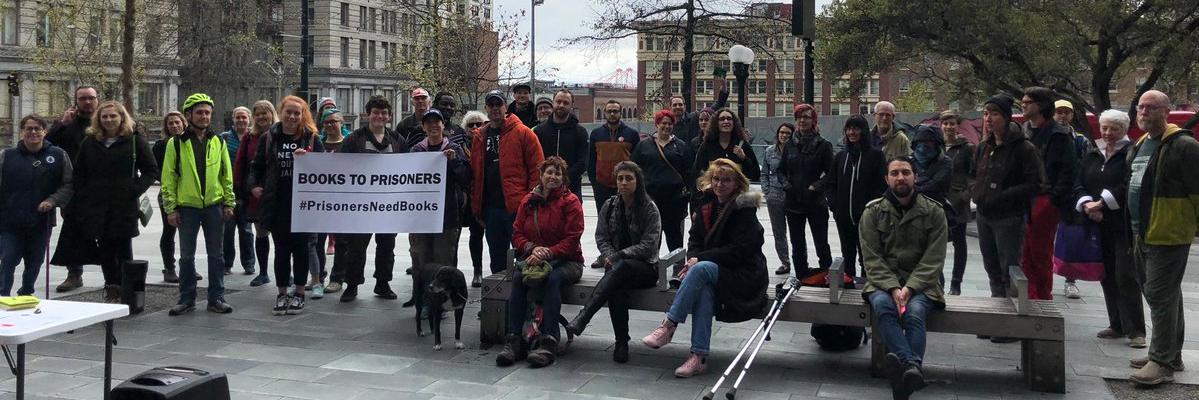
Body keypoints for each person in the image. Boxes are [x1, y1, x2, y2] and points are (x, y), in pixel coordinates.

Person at [641, 158, 767, 378]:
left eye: (726, 180)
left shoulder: (744, 210)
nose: (720, 184)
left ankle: (669, 325)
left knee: (701, 269)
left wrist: (698, 260)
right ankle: (699, 357)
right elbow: (694, 240)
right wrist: (695, 257)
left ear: (737, 183)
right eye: (716, 179)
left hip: (744, 275)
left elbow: (739, 251)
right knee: (704, 291)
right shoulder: (707, 204)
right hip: (716, 272)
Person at [51, 101, 157, 303]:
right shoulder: (90, 142)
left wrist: (133, 190)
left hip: (123, 206)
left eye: (113, 116)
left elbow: (151, 171)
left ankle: (128, 291)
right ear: (98, 119)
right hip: (97, 206)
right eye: (104, 116)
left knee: (124, 248)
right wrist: (79, 200)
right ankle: (112, 288)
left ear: (122, 118)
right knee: (106, 248)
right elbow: (80, 173)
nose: (108, 120)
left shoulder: (134, 141)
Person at [1127, 90, 1199, 386]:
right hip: (1142, 230)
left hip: (1168, 232)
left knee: (1159, 294)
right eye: (1141, 107)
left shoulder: (1184, 145)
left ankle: (1161, 362)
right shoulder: (1142, 143)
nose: (1143, 112)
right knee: (1165, 294)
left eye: (1151, 107)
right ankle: (1170, 354)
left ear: (1166, 111)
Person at [860, 156, 948, 400]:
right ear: (887, 179)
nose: (901, 177)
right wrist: (892, 288)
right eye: (895, 173)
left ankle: (906, 370)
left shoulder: (933, 211)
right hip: (882, 282)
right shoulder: (873, 211)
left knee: (916, 312)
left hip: (923, 284)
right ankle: (912, 366)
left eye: (906, 172)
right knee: (882, 307)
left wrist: (910, 287)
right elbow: (871, 257)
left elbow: (934, 257)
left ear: (915, 177)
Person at [566, 161, 662, 363]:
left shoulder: (649, 208)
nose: (624, 183)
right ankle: (621, 343)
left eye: (629, 178)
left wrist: (619, 256)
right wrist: (610, 255)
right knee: (616, 286)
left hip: (646, 268)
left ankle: (584, 317)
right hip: (618, 269)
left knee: (622, 268)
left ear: (638, 181)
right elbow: (601, 237)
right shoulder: (609, 206)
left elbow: (649, 245)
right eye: (620, 178)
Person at [495, 156, 584, 368]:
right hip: (533, 258)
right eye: (549, 172)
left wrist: (547, 253)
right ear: (541, 175)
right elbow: (516, 233)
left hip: (567, 261)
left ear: (563, 178)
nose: (552, 177)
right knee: (518, 278)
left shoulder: (571, 202)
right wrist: (532, 249)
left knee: (552, 279)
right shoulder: (528, 200)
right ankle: (515, 340)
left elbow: (572, 239)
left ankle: (548, 341)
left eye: (557, 173)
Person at [972, 94, 1043, 343]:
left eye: (994, 114)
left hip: (1009, 218)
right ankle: (996, 317)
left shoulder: (1024, 148)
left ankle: (1010, 324)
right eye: (985, 113)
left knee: (1009, 270)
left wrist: (1002, 196)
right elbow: (974, 174)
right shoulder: (984, 146)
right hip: (984, 216)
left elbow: (1035, 183)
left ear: (1006, 117)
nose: (988, 119)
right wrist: (977, 193)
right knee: (991, 268)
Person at [1073, 109, 1145, 349]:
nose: (1108, 133)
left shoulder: (1131, 153)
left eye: (1113, 128)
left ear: (1124, 130)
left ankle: (1136, 330)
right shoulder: (1094, 152)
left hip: (1122, 224)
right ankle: (1116, 324)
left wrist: (1102, 202)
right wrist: (1086, 204)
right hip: (1097, 222)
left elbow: (1130, 185)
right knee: (1107, 275)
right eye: (1104, 128)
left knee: (1126, 275)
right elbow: (1079, 182)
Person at [248, 95, 324, 315]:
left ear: (303, 115)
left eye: (297, 113)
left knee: (301, 250)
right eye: (288, 112)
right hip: (277, 203)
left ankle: (299, 293)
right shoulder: (269, 136)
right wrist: (254, 186)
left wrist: (308, 156)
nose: (292, 117)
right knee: (281, 251)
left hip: (303, 204)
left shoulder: (310, 137)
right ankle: (282, 293)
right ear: (280, 112)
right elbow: (257, 166)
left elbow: (324, 167)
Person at [163, 93, 236, 315]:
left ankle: (216, 298)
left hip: (214, 206)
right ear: (189, 115)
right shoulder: (176, 144)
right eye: (199, 112)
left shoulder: (218, 141)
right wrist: (171, 208)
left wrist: (229, 202)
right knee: (186, 256)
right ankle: (187, 298)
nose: (204, 116)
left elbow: (226, 174)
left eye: (207, 112)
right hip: (187, 208)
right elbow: (169, 178)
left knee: (216, 255)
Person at [334, 95, 405, 302]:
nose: (379, 116)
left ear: (389, 116)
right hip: (360, 207)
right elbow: (338, 168)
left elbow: (411, 166)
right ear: (368, 114)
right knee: (356, 247)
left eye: (384, 113)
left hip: (388, 206)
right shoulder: (354, 139)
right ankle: (352, 285)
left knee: (386, 247)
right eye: (375, 112)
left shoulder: (397, 140)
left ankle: (383, 283)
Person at [471, 90, 544, 274]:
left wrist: (530, 200)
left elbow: (537, 168)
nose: (495, 108)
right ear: (486, 108)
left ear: (506, 106)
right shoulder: (479, 136)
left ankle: (524, 298)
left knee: (524, 255)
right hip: (491, 208)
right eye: (491, 105)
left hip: (517, 207)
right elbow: (476, 172)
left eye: (499, 104)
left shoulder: (523, 133)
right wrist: (477, 204)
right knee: (497, 258)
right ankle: (500, 298)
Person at [0, 115, 73, 296]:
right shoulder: (7, 156)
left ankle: (26, 292)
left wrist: (53, 200)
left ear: (44, 132)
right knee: (8, 259)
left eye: (37, 129)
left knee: (35, 261)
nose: (33, 132)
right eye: (28, 128)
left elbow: (68, 183)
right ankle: (3, 295)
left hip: (41, 220)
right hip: (10, 221)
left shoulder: (58, 155)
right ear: (22, 131)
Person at [1019, 87, 1079, 301]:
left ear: (1041, 105)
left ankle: (1042, 299)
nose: (1023, 105)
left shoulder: (1059, 135)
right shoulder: (1023, 130)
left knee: (1040, 253)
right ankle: (1029, 297)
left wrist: (1052, 200)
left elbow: (1068, 172)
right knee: (1024, 253)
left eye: (1028, 101)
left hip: (1044, 201)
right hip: (1024, 198)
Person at [47, 86, 99, 293]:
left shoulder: (105, 121)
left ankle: (114, 276)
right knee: (72, 231)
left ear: (97, 100)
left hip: (100, 188)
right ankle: (74, 274)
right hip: (74, 189)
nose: (87, 102)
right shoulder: (67, 125)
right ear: (76, 101)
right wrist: (61, 124)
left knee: (106, 231)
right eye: (83, 98)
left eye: (91, 98)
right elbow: (47, 145)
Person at [408, 109, 471, 277]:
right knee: (420, 258)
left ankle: (444, 298)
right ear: (423, 127)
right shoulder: (416, 150)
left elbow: (466, 178)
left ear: (443, 125)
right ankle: (420, 296)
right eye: (428, 122)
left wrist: (454, 162)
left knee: (445, 261)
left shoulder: (454, 149)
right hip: (420, 216)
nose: (433, 125)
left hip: (447, 216)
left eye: (437, 122)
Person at [827, 115, 887, 277]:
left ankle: (868, 289)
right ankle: (848, 286)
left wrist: (871, 208)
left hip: (867, 217)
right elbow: (831, 183)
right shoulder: (840, 156)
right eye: (848, 129)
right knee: (847, 255)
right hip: (844, 216)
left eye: (856, 128)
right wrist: (835, 206)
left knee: (867, 257)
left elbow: (881, 185)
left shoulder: (876, 155)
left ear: (863, 131)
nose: (851, 132)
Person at [778, 103, 834, 276]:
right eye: (799, 117)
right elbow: (780, 170)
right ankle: (801, 274)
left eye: (807, 117)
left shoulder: (824, 145)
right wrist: (786, 185)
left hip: (815, 201)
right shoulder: (789, 145)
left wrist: (816, 186)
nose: (802, 120)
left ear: (813, 120)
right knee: (797, 243)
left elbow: (831, 174)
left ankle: (827, 274)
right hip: (793, 202)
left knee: (821, 243)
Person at [631, 109, 693, 264]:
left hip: (675, 200)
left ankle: (678, 269)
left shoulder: (681, 146)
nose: (667, 126)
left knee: (675, 237)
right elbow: (635, 170)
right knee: (652, 235)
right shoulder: (643, 145)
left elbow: (689, 172)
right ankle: (651, 267)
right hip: (650, 199)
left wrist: (688, 194)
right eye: (663, 123)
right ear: (657, 124)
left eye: (670, 123)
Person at [306, 107, 346, 299]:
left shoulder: (349, 144)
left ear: (342, 123)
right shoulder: (316, 143)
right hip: (320, 202)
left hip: (341, 203)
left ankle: (337, 278)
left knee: (341, 241)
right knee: (317, 241)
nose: (330, 125)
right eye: (326, 122)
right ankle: (317, 277)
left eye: (334, 121)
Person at [236, 100, 276, 288]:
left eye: (264, 113)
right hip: (256, 192)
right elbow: (241, 164)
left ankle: (285, 272)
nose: (261, 117)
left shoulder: (281, 133)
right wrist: (242, 190)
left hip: (278, 191)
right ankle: (263, 272)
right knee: (261, 232)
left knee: (282, 235)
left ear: (272, 113)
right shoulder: (248, 137)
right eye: (257, 114)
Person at [1053, 99, 1089, 299]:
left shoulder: (1080, 140)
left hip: (1071, 196)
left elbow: (1086, 168)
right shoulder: (1044, 137)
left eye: (1066, 112)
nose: (1062, 116)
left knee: (1070, 239)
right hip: (1049, 194)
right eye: (1059, 112)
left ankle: (1070, 280)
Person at [940, 110, 975, 295]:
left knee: (959, 243)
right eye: (945, 123)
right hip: (938, 200)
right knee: (936, 242)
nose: (948, 127)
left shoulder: (967, 148)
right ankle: (938, 280)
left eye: (952, 123)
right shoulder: (936, 145)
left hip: (957, 201)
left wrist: (966, 194)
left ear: (957, 125)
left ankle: (956, 282)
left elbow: (973, 174)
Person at [219, 106, 256, 276]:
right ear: (233, 119)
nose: (241, 120)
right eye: (238, 117)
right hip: (228, 191)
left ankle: (249, 263)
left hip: (247, 191)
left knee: (246, 230)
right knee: (228, 230)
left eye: (244, 117)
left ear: (249, 119)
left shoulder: (253, 137)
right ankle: (226, 264)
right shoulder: (224, 138)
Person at [532, 89, 588, 198]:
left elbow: (582, 163)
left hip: (571, 189)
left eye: (566, 103)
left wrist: (562, 178)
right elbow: (535, 160)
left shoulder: (580, 132)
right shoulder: (539, 131)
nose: (561, 105)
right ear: (553, 103)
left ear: (571, 106)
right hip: (544, 189)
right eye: (558, 101)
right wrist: (548, 178)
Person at [588, 100, 641, 211]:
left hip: (624, 184)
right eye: (609, 111)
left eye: (615, 111)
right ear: (605, 113)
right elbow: (591, 160)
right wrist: (594, 183)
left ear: (620, 113)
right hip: (602, 186)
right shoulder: (596, 134)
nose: (612, 114)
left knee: (625, 218)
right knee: (604, 219)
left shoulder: (632, 134)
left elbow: (637, 162)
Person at [153, 112, 187, 283]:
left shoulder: (190, 143)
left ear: (183, 124)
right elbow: (155, 170)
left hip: (188, 193)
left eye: (177, 122)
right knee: (169, 231)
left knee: (187, 232)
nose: (174, 126)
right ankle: (169, 268)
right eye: (170, 123)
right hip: (168, 193)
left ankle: (188, 266)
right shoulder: (161, 146)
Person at [761, 123, 794, 277]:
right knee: (779, 231)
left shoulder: (796, 151)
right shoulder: (769, 151)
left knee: (795, 231)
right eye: (781, 132)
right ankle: (785, 262)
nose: (784, 135)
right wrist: (766, 190)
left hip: (792, 194)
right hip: (774, 195)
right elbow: (764, 173)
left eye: (787, 133)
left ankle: (799, 261)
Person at [693, 108, 759, 182]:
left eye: (729, 119)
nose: (726, 121)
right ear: (716, 123)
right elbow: (697, 172)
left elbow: (756, 175)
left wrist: (744, 159)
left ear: (734, 123)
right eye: (722, 119)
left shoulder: (743, 145)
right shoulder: (707, 145)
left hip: (737, 192)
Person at [461, 110, 488, 287]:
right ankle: (473, 269)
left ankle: (480, 271)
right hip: (464, 197)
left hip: (484, 195)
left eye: (479, 124)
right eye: (471, 125)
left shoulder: (489, 143)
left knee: (478, 234)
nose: (475, 127)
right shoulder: (459, 145)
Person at [671, 77, 728, 145]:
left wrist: (723, 86)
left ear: (685, 107)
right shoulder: (669, 125)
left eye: (680, 104)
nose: (678, 107)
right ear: (670, 107)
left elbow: (719, 104)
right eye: (675, 105)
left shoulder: (695, 117)